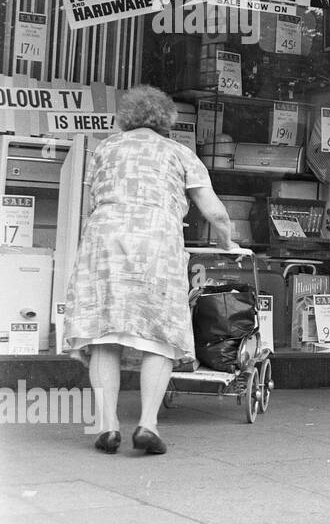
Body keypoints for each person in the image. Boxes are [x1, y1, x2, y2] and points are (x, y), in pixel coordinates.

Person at [64, 86, 236, 455]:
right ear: (167, 120)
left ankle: (109, 425)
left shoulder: (106, 149)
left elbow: (91, 200)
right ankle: (147, 424)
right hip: (156, 241)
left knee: (104, 334)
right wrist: (227, 242)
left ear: (126, 117)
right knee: (158, 335)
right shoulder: (179, 153)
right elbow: (216, 212)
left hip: (104, 239)